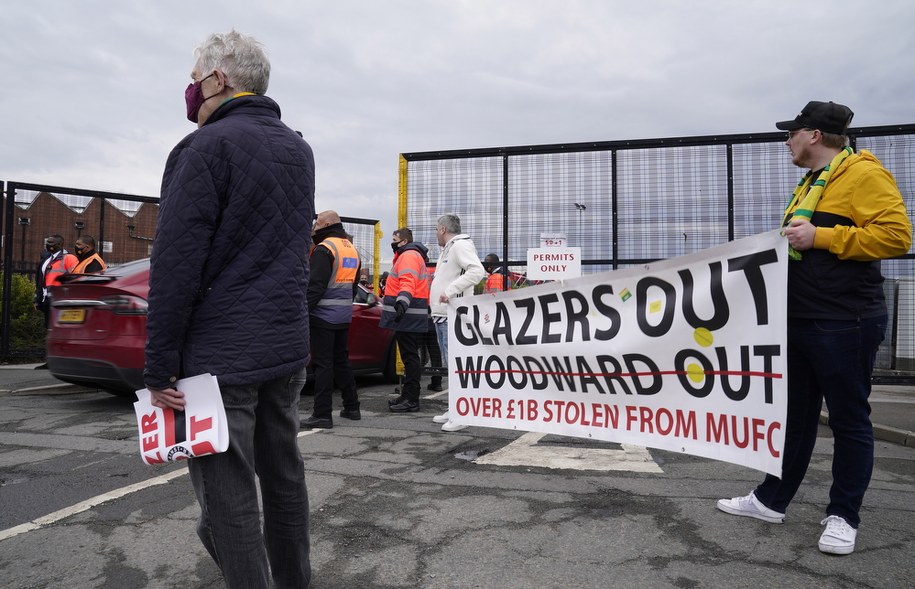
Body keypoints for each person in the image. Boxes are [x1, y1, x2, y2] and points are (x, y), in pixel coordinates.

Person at [143, 30, 314, 587]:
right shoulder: (298, 148)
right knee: (285, 479)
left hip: (219, 357)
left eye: (195, 80)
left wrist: (158, 363)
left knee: (228, 498)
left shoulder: (201, 150)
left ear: (220, 80)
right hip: (285, 347)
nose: (190, 91)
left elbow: (175, 265)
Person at [716, 101, 912, 555]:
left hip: (845, 320)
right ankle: (770, 500)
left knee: (849, 419)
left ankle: (843, 515)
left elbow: (897, 236)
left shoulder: (863, 174)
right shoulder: (811, 183)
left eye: (791, 133)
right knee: (796, 418)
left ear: (813, 135)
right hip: (801, 318)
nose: (786, 141)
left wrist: (821, 237)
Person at [302, 210, 361, 429]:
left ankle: (322, 414)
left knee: (323, 365)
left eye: (317, 223)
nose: (314, 228)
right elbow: (353, 287)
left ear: (326, 224)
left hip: (323, 316)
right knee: (341, 361)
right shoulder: (350, 249)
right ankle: (352, 407)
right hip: (343, 315)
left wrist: (304, 312)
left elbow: (315, 287)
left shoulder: (324, 249)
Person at [429, 213, 486, 432]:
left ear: (443, 229)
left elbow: (477, 271)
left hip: (452, 314)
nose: (436, 233)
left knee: (457, 365)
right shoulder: (451, 248)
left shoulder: (460, 246)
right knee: (452, 366)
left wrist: (450, 291)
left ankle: (463, 413)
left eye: (436, 229)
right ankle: (455, 408)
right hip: (444, 314)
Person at [381, 228, 430, 412]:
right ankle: (408, 395)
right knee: (410, 356)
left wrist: (402, 302)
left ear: (403, 241)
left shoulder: (408, 255)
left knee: (410, 357)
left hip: (407, 314)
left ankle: (411, 399)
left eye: (394, 239)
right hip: (410, 313)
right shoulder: (410, 255)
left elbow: (407, 280)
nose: (392, 242)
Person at [34, 235, 78, 328]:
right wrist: (37, 299)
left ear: (60, 244)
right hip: (46, 299)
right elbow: (40, 281)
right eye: (47, 242)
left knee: (59, 327)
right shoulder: (46, 259)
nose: (48, 244)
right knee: (49, 327)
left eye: (51, 243)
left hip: (60, 298)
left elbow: (75, 278)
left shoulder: (68, 258)